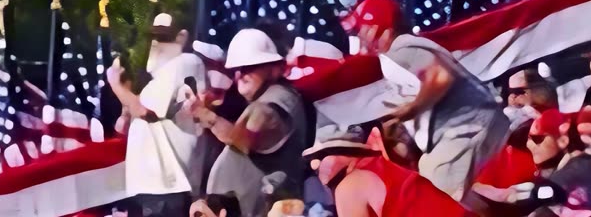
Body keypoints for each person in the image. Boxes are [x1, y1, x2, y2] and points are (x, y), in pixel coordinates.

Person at [342, 0, 508, 205]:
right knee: (460, 199)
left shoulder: (402, 49)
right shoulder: (401, 54)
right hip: (477, 126)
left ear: (378, 28)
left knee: (430, 198)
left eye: (360, 29)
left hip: (466, 128)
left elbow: (440, 77)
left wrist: (410, 109)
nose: (359, 36)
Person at [193, 29, 308, 217]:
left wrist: (205, 115)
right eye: (236, 69)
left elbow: (245, 137)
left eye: (249, 66)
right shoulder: (265, 98)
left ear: (274, 68)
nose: (240, 74)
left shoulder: (279, 98)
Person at [107, 13, 208, 217]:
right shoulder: (164, 76)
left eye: (164, 38)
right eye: (154, 37)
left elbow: (145, 111)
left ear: (181, 38)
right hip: (154, 187)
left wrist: (115, 84)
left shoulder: (184, 62)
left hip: (164, 188)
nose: (157, 44)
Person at [304, 125, 470, 217]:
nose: (316, 165)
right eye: (312, 160)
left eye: (323, 155)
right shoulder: (381, 165)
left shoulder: (349, 186)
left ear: (348, 153)